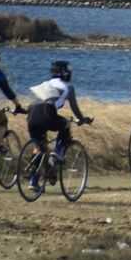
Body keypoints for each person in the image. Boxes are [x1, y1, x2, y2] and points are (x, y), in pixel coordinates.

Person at [25, 60, 92, 190]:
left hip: (32, 115)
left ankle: (33, 181)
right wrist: (82, 119)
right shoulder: (69, 87)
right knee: (66, 124)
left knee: (40, 147)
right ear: (66, 73)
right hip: (47, 114)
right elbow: (75, 109)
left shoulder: (47, 84)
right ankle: (58, 153)